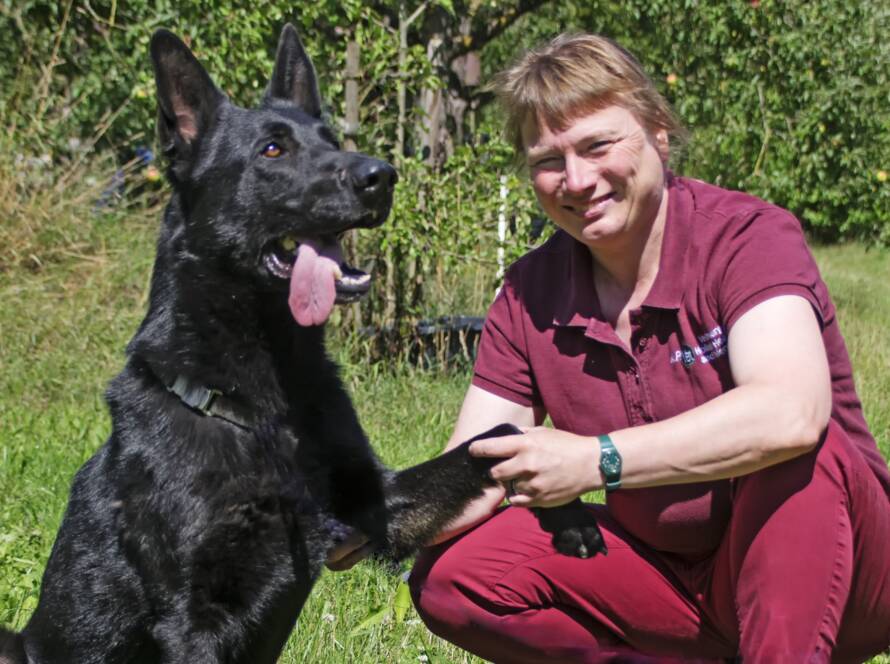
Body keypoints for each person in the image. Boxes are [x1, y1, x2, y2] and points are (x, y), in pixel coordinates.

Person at [403, 33, 890, 663]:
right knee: (453, 574)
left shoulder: (745, 237)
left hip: (842, 573)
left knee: (797, 453)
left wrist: (596, 461)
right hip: (667, 582)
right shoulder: (530, 292)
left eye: (598, 145)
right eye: (548, 160)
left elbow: (791, 413)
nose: (576, 180)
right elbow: (477, 466)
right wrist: (354, 516)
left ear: (658, 132)